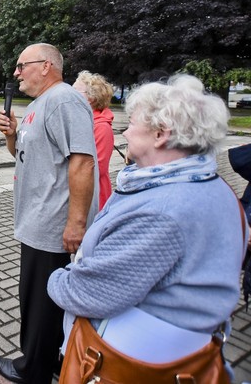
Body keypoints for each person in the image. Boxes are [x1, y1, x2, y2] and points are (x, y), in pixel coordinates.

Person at [47, 75, 245, 377]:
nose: (125, 131)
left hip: (125, 367)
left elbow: (90, 292)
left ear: (160, 134)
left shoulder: (164, 211)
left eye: (133, 122)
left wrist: (56, 279)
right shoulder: (210, 186)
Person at [0, 43, 98, 384]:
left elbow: (82, 161)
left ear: (46, 66)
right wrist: (12, 134)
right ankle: (53, 359)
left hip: (52, 224)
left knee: (39, 303)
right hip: (36, 220)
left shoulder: (64, 100)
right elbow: (21, 155)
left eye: (21, 65)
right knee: (44, 301)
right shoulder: (40, 105)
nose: (16, 73)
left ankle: (32, 370)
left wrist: (76, 223)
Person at [73, 71, 115, 210]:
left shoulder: (102, 127)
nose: (70, 95)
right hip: (79, 193)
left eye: (75, 91)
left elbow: (98, 170)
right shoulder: (80, 120)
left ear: (91, 97)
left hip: (94, 197)